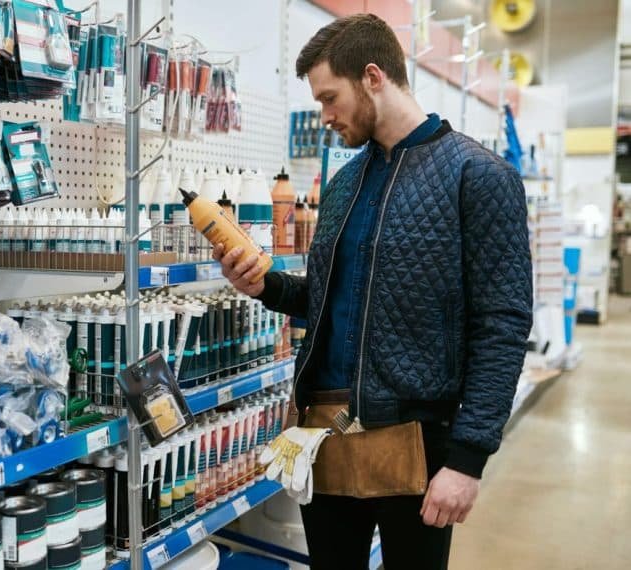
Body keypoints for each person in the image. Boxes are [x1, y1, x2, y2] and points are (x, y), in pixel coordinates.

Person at [213, 13, 532, 570]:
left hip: (419, 442)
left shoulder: (478, 177)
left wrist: (468, 459)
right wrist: (267, 286)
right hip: (325, 431)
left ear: (373, 76)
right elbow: (333, 296)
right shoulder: (343, 183)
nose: (325, 115)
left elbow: (502, 325)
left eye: (331, 97)